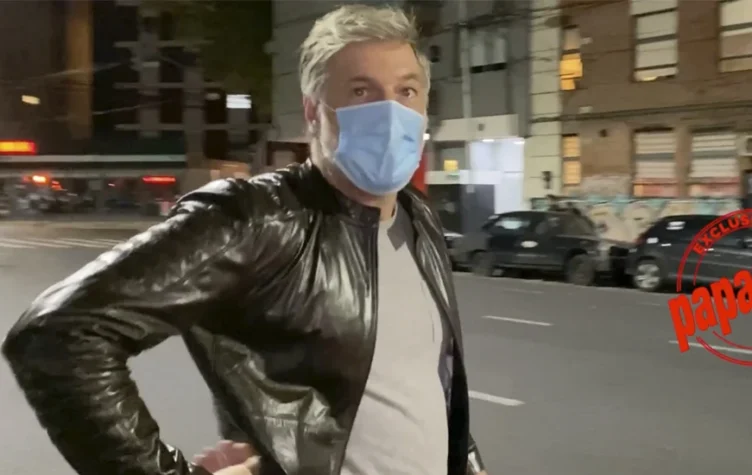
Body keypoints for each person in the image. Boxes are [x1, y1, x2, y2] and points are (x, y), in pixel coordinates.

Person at [2, 4, 487, 475]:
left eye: (406, 91)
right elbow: (57, 336)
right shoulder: (257, 219)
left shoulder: (418, 217)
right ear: (313, 112)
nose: (391, 112)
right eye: (362, 91)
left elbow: (433, 385)